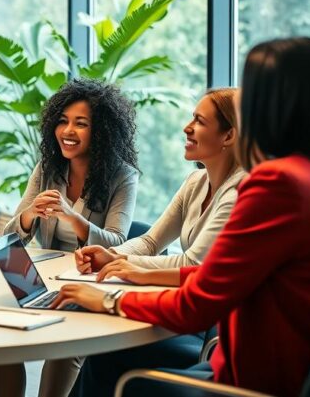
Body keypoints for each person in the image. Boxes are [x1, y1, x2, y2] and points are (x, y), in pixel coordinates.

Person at [52, 37, 310, 397]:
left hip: (255, 387)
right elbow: (236, 275)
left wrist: (106, 299)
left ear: (270, 107)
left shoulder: (279, 183)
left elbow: (194, 308)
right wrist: (132, 268)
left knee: (109, 364)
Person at [59, 88, 248, 396]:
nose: (187, 127)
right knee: (101, 352)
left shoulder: (239, 191)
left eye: (199, 121)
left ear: (228, 136)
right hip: (188, 313)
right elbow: (150, 241)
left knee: (104, 355)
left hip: (204, 330)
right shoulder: (196, 182)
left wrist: (125, 266)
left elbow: (193, 264)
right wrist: (111, 254)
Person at [0, 78, 138, 397]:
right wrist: (29, 216)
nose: (68, 131)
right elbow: (10, 240)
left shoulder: (123, 176)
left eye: (80, 124)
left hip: (92, 283)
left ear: (102, 131)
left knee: (68, 345)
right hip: (43, 278)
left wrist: (72, 215)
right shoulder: (48, 168)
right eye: (62, 121)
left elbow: (116, 244)